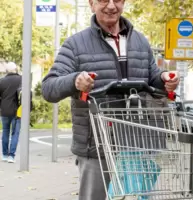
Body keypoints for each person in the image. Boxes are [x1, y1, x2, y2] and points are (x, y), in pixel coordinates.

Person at [41, 0, 179, 199]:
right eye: (104, 0)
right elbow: (48, 88)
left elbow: (153, 80)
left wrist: (165, 80)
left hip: (136, 144)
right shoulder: (75, 44)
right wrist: (75, 81)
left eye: (118, 0)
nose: (112, 6)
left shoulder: (140, 42)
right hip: (95, 144)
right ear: (91, 4)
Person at [0, 62, 22, 163]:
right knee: (15, 133)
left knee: (5, 132)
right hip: (17, 111)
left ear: (7, 70)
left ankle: (4, 155)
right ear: (15, 69)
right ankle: (11, 156)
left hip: (4, 111)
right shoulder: (21, 79)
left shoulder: (2, 81)